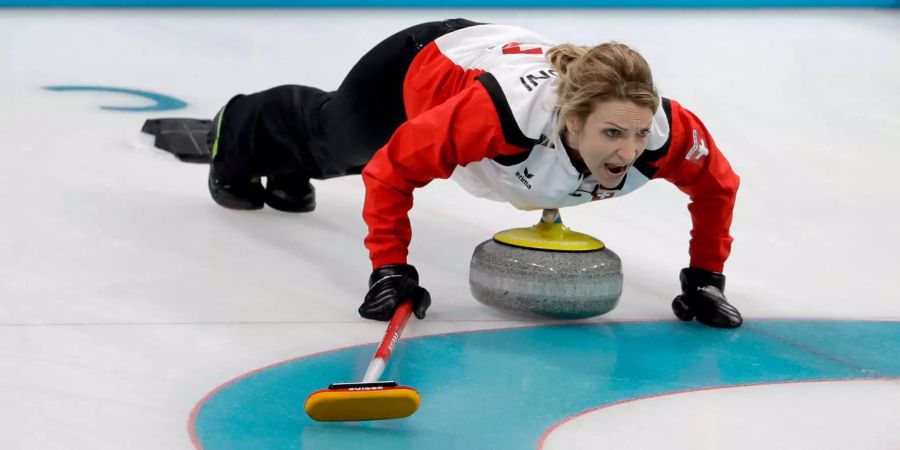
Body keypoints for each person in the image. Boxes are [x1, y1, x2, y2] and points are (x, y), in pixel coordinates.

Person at [205, 18, 743, 329]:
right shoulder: (498, 115)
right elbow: (394, 172)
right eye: (611, 135)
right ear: (571, 121)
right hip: (425, 63)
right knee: (340, 147)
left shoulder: (663, 133)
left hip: (500, 56)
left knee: (331, 156)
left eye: (637, 134)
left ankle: (289, 171)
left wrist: (705, 280)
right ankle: (240, 128)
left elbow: (718, 187)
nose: (628, 152)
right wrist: (390, 271)